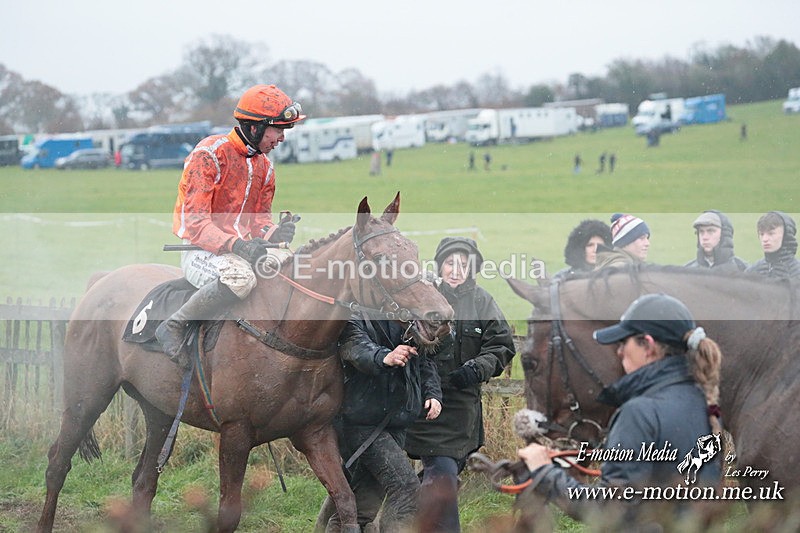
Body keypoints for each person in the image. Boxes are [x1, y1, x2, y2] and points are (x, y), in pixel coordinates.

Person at [518, 293, 723, 527]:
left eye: (624, 342)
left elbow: (608, 510)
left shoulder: (639, 413)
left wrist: (544, 472)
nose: (619, 351)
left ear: (648, 346)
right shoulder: (703, 404)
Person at [154, 84, 305, 367]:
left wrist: (275, 233)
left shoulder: (265, 167)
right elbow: (195, 223)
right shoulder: (208, 155)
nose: (282, 138)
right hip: (201, 251)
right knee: (241, 280)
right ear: (255, 127)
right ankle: (174, 325)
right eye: (278, 130)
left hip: (240, 250)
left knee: (293, 266)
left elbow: (258, 222)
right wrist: (237, 245)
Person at [404, 237, 516, 532]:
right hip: (428, 405)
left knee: (441, 477)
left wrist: (476, 369)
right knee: (442, 473)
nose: (456, 270)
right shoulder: (424, 297)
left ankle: (404, 518)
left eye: (463, 265)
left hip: (462, 408)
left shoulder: (482, 301)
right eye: (450, 263)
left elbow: (502, 346)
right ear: (440, 265)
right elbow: (409, 343)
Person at [323, 311, 443, 532]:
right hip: (361, 422)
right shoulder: (355, 314)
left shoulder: (408, 316)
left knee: (363, 506)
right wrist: (384, 357)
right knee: (407, 491)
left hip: (397, 421)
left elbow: (425, 361)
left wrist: (432, 393)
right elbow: (354, 348)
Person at [745, 211, 800, 280]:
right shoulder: (751, 272)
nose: (765, 239)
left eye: (771, 233)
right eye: (762, 234)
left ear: (786, 236)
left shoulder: (797, 273)